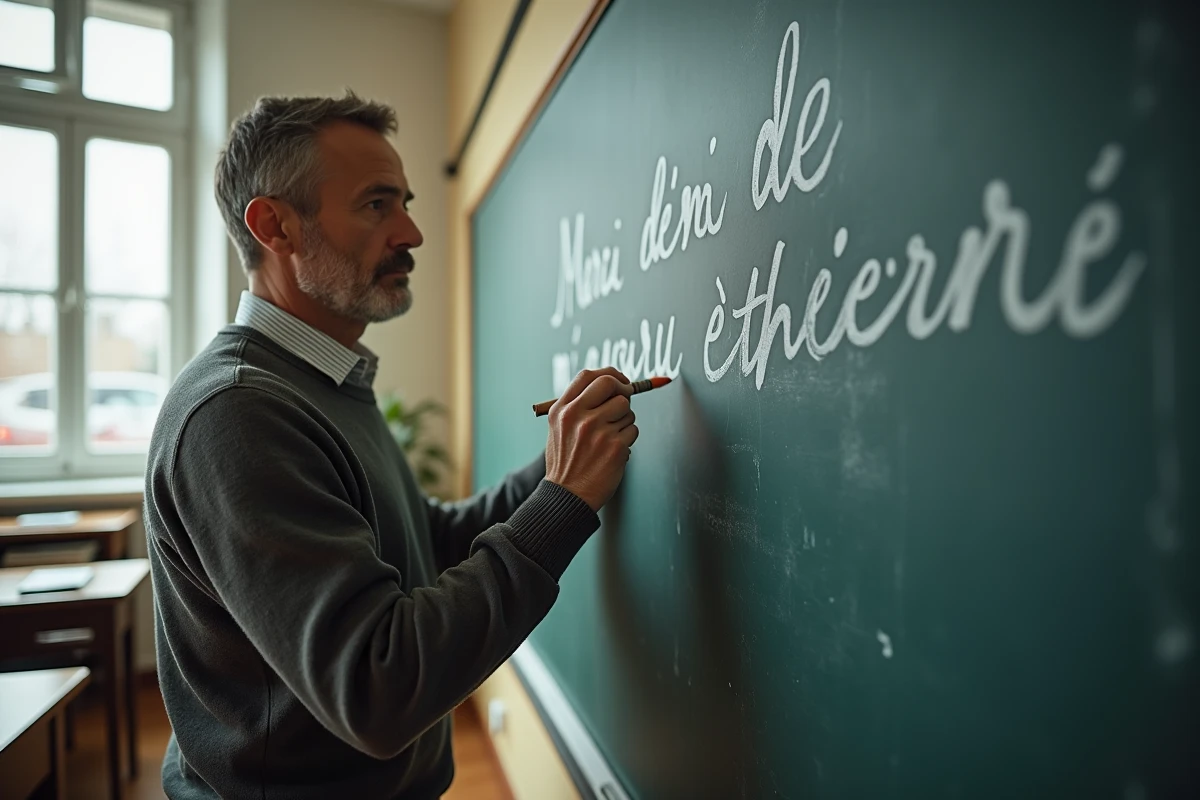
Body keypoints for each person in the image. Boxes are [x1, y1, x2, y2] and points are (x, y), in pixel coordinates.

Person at [144, 92, 639, 799]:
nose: (412, 232)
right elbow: (377, 686)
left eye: (404, 201)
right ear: (275, 225)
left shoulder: (320, 378)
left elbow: (424, 541)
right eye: (378, 205)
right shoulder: (240, 414)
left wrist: (563, 462)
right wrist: (561, 502)